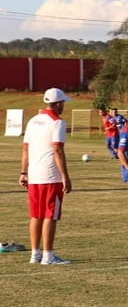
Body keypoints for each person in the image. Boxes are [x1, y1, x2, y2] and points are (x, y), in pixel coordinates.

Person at [19, 87, 73, 265]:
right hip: (51, 176)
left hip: (34, 175)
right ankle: (48, 255)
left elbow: (25, 148)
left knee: (36, 215)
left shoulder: (33, 120)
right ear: (57, 104)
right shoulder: (57, 122)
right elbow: (57, 149)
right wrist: (65, 176)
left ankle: (35, 254)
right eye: (62, 103)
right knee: (50, 215)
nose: (63, 106)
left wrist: (24, 172)